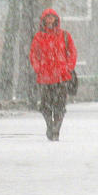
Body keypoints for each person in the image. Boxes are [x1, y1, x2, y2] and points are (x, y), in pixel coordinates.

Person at [28, 8, 77, 141]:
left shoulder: (64, 36)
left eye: (52, 17)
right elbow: (33, 54)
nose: (50, 20)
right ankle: (50, 125)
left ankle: (56, 129)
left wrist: (68, 68)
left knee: (60, 106)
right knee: (45, 105)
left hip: (61, 77)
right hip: (45, 78)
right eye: (47, 17)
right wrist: (38, 68)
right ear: (43, 20)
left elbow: (72, 53)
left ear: (56, 19)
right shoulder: (38, 37)